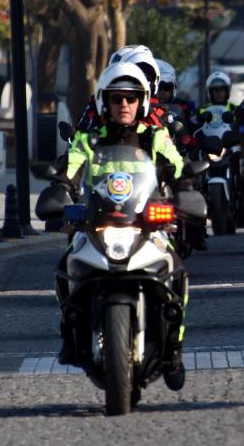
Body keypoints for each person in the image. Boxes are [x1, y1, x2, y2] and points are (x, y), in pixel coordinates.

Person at [50, 62, 188, 390]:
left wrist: (183, 188)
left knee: (176, 270)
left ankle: (174, 347)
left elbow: (178, 166)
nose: (123, 105)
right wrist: (62, 189)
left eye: (130, 98)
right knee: (65, 266)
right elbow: (72, 168)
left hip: (144, 224)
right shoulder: (89, 138)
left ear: (142, 101)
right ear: (104, 102)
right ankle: (69, 334)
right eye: (116, 98)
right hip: (98, 222)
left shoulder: (155, 136)